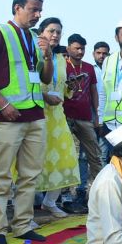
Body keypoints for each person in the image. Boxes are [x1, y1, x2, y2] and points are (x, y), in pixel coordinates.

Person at [0, 0, 53, 244]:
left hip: (35, 115)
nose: (37, 15)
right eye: (33, 9)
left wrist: (48, 55)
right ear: (17, 8)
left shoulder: (34, 38)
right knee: (0, 176)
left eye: (40, 10)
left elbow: (44, 77)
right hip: (8, 117)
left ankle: (23, 225)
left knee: (30, 175)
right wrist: (2, 103)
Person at [33, 18, 80, 218]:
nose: (55, 35)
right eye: (51, 31)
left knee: (65, 159)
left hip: (57, 117)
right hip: (36, 113)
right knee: (34, 162)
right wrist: (44, 97)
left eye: (58, 32)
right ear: (41, 32)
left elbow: (60, 87)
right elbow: (29, 84)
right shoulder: (32, 52)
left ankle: (50, 202)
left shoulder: (61, 59)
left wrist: (71, 87)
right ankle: (26, 211)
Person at [64, 33, 102, 212]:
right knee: (65, 155)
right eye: (76, 48)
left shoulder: (89, 68)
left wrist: (96, 115)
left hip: (85, 116)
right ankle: (63, 194)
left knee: (94, 153)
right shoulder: (61, 66)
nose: (80, 51)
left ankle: (101, 191)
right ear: (68, 48)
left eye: (82, 49)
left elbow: (94, 91)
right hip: (65, 116)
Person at [91, 41, 111, 167]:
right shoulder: (89, 69)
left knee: (108, 151)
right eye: (98, 53)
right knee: (90, 150)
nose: (101, 56)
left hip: (109, 113)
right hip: (92, 113)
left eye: (105, 53)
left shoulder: (112, 70)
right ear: (93, 54)